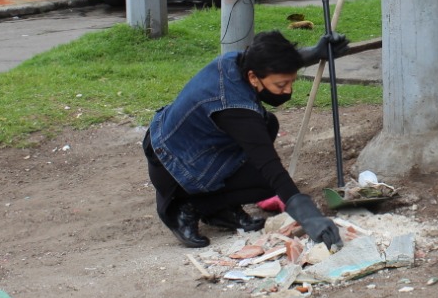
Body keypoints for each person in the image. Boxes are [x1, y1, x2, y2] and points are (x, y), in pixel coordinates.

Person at [143, 30, 347, 249]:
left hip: (184, 147)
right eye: (280, 85)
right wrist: (310, 218)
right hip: (173, 170)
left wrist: (315, 53)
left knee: (268, 124)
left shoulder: (237, 62)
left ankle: (220, 210)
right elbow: (270, 167)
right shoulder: (235, 109)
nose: (288, 90)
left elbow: (267, 61)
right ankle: (187, 207)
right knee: (268, 181)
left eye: (290, 82)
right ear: (252, 77)